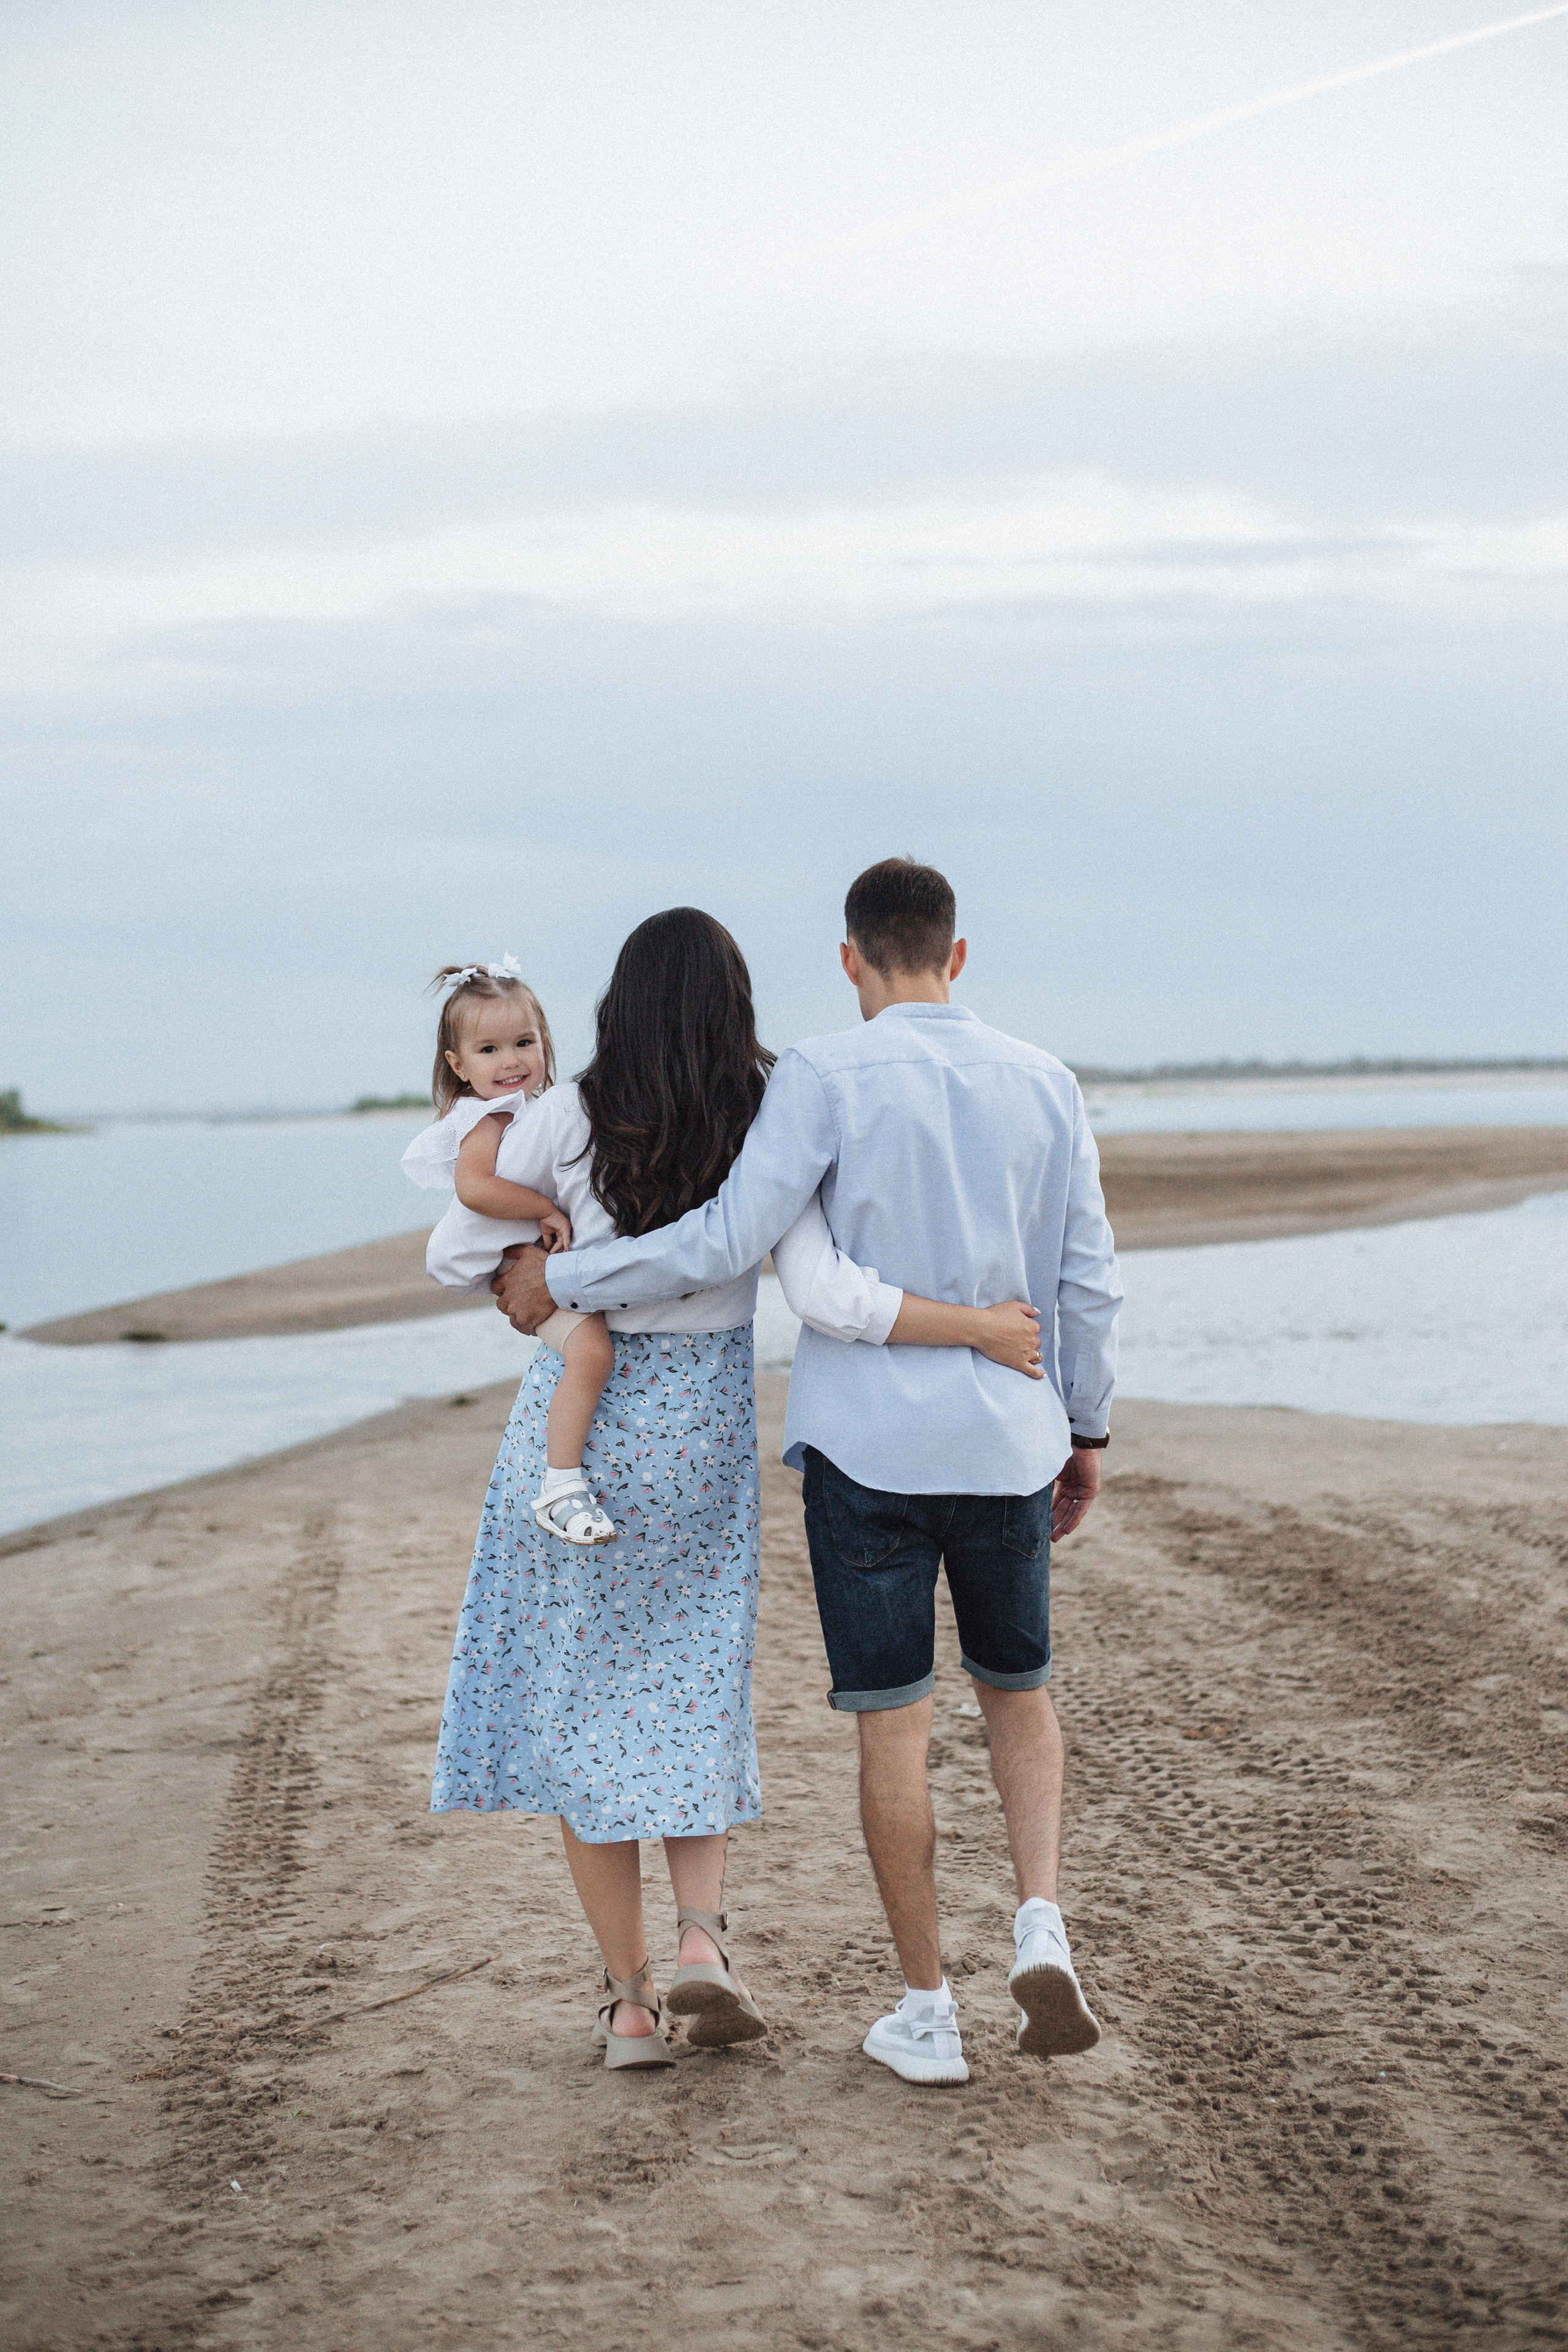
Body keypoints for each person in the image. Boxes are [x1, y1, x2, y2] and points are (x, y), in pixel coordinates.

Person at [494, 861, 1123, 2088]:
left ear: (850, 959)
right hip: (1009, 1441)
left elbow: (737, 1242)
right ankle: (1040, 1923)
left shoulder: (824, 1077)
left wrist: (560, 1278)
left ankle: (927, 2013)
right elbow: (1086, 1278)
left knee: (895, 1725)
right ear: (956, 954)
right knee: (1018, 1693)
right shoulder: (1045, 1081)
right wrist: (1084, 1427)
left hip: (867, 1456)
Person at [401, 958, 617, 1544]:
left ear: (544, 1040)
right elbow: (474, 1187)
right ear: (459, 1065)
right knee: (592, 1353)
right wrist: (544, 1209)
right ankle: (561, 1486)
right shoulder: (487, 1116)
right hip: (499, 1256)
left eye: (524, 1043)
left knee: (590, 1349)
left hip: (511, 1249)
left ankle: (563, 1478)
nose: (511, 1061)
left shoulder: (534, 1108)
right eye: (489, 1050)